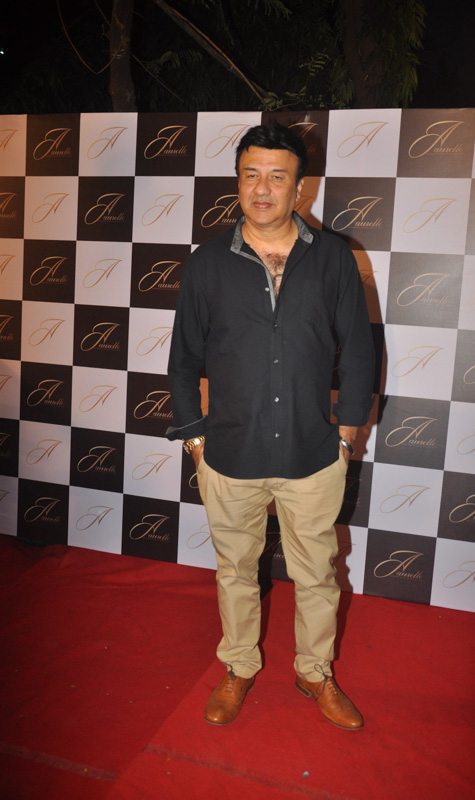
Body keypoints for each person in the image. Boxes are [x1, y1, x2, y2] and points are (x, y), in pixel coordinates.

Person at [167, 123, 374, 730]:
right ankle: (239, 666)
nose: (262, 188)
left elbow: (359, 353)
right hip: (230, 453)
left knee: (317, 575)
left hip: (314, 452)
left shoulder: (333, 258)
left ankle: (315, 672)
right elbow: (182, 361)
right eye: (250, 174)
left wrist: (347, 435)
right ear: (238, 182)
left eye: (277, 176)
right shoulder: (206, 263)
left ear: (299, 187)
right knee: (236, 570)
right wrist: (196, 439)